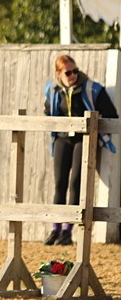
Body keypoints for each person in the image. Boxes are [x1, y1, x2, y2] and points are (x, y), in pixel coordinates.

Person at [42, 54, 118, 245]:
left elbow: (111, 114)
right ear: (59, 73)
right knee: (60, 184)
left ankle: (68, 230)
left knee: (76, 182)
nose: (73, 75)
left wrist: (96, 131)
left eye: (75, 71)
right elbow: (48, 113)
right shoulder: (53, 91)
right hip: (62, 139)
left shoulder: (92, 88)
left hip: (82, 139)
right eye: (68, 72)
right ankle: (56, 228)